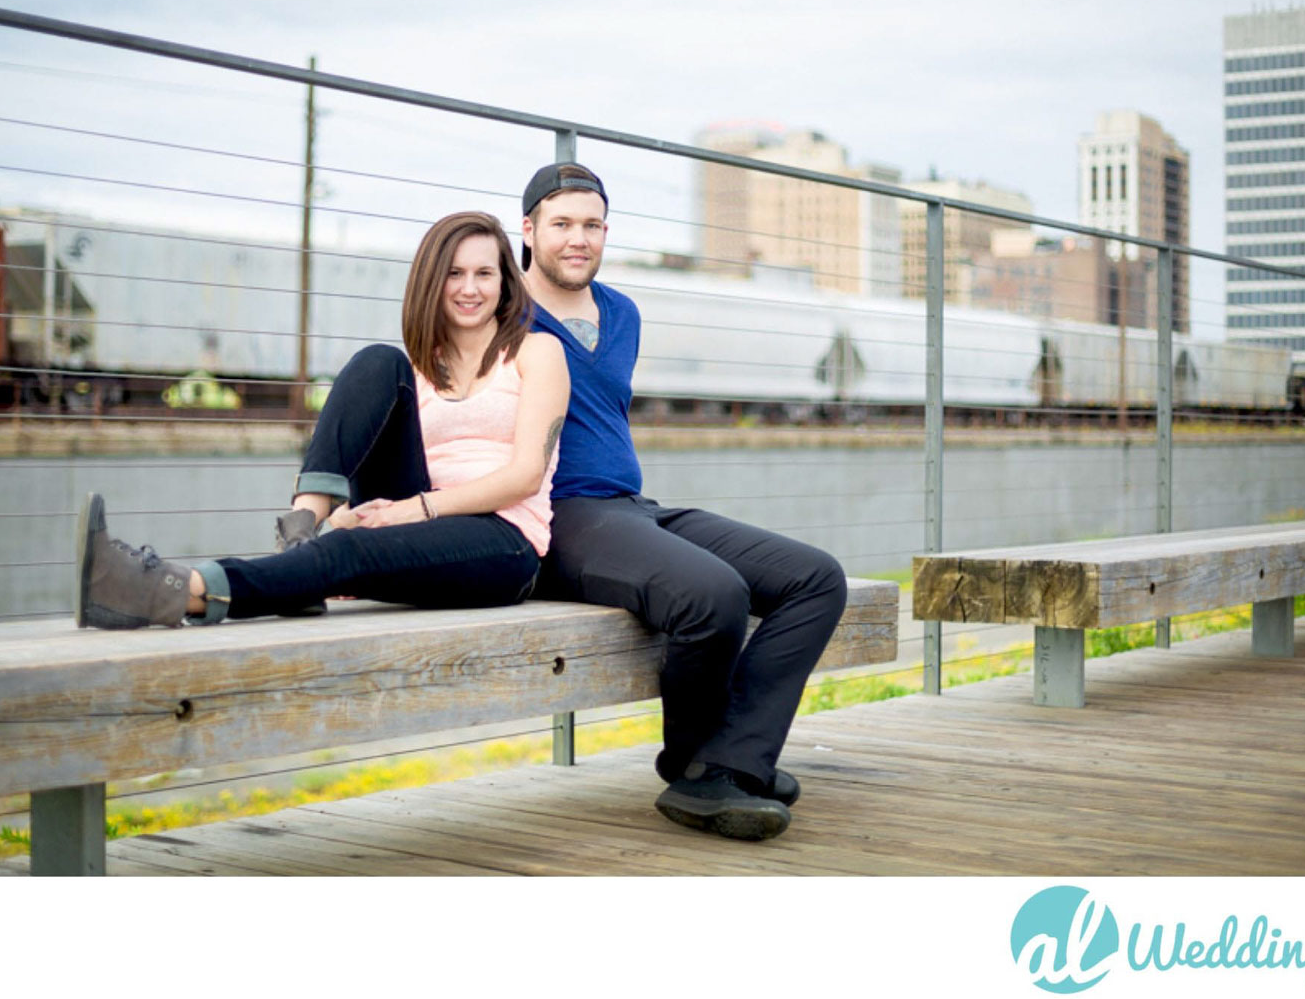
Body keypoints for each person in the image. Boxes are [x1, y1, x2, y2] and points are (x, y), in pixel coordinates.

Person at [518, 162, 848, 842]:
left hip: (632, 506)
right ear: (528, 230)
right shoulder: (501, 312)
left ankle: (723, 759)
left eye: (592, 224)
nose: (578, 238)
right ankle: (709, 769)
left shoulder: (622, 313)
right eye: (561, 224)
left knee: (815, 579)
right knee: (712, 593)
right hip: (559, 518)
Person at [75, 210, 569, 629]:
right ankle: (301, 529)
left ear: (505, 282)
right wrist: (345, 514)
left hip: (502, 542)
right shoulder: (415, 369)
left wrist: (416, 510)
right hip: (416, 519)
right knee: (378, 361)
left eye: (484, 273)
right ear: (430, 280)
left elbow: (526, 476)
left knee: (349, 553)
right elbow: (385, 474)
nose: (469, 288)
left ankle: (166, 589)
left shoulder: (536, 352)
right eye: (454, 273)